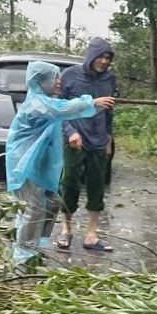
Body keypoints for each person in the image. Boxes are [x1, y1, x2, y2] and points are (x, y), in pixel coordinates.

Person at [5, 60, 116, 270]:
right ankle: (23, 258)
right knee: (34, 209)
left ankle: (35, 249)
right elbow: (62, 109)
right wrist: (92, 103)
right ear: (42, 80)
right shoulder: (37, 103)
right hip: (24, 165)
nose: (59, 82)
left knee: (53, 203)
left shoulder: (45, 100)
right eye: (55, 78)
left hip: (37, 164)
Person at [58, 37, 119, 252]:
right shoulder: (70, 76)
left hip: (98, 139)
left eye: (108, 57)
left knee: (97, 185)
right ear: (91, 55)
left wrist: (109, 138)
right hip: (75, 139)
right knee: (70, 182)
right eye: (101, 56)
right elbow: (60, 108)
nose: (104, 61)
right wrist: (70, 132)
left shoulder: (109, 79)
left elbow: (109, 111)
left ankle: (91, 234)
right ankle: (66, 228)